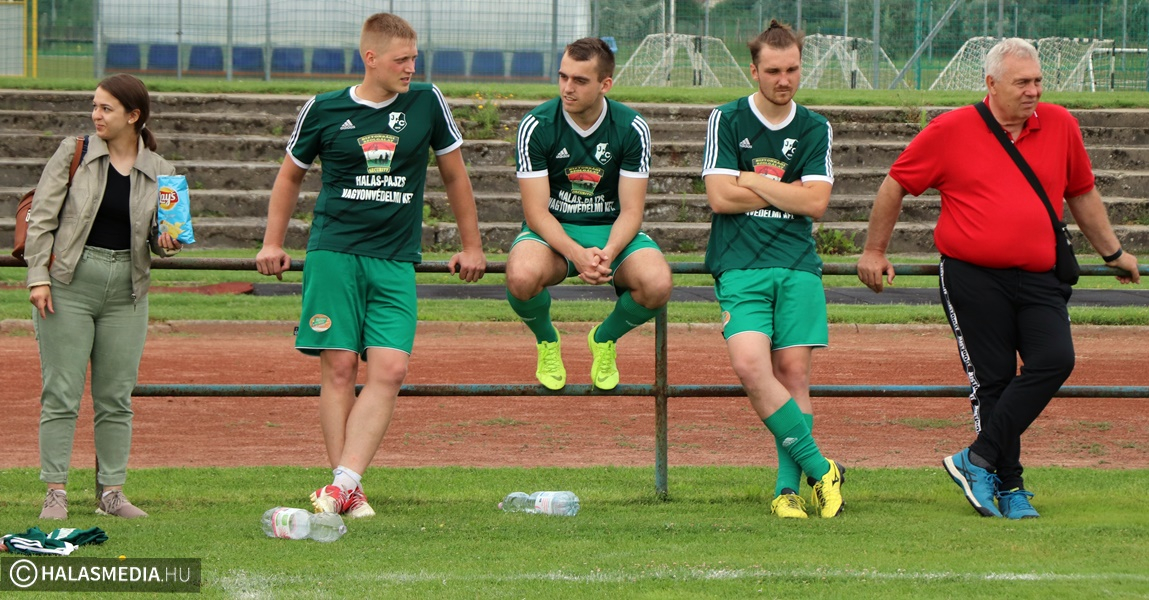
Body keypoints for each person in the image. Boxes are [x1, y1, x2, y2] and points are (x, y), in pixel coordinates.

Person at [857, 38, 1141, 519]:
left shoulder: (1061, 124)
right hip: (973, 276)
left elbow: (1081, 192)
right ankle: (1010, 487)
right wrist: (874, 250)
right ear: (991, 84)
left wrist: (1112, 252)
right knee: (994, 381)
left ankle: (977, 458)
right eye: (1022, 82)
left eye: (1038, 81)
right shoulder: (950, 129)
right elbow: (895, 184)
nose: (1034, 91)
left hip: (1040, 276)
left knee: (1055, 360)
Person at [255, 13, 487, 518]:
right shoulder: (324, 108)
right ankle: (347, 489)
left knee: (391, 368)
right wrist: (272, 242)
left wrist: (472, 246)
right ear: (371, 58)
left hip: (395, 258)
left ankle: (340, 485)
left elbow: (455, 177)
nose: (410, 68)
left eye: (414, 59)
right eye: (401, 59)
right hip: (333, 254)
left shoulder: (428, 101)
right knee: (339, 368)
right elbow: (290, 177)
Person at [701, 20, 845, 519]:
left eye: (793, 70)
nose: (784, 80)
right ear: (754, 70)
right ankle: (822, 468)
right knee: (749, 365)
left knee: (793, 376)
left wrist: (751, 180)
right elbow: (719, 198)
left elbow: (817, 204)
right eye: (774, 71)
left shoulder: (815, 127)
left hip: (798, 264)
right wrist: (788, 192)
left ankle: (788, 492)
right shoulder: (726, 118)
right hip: (740, 265)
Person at [26, 73, 182, 520]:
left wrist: (169, 242)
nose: (95, 114)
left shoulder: (164, 171)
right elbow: (41, 218)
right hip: (68, 285)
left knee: (116, 398)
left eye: (105, 108)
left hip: (127, 292)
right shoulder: (73, 152)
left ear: (133, 116)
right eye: (94, 106)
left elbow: (164, 239)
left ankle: (111, 493)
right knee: (61, 393)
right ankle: (55, 492)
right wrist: (38, 278)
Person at [506, 37, 672, 391]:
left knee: (657, 283)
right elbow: (536, 213)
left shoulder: (632, 127)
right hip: (554, 231)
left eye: (580, 80)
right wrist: (577, 254)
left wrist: (608, 253)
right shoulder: (536, 125)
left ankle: (604, 338)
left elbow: (632, 211)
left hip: (612, 231)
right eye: (563, 76)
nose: (567, 88)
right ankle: (547, 339)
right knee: (521, 276)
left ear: (604, 84)